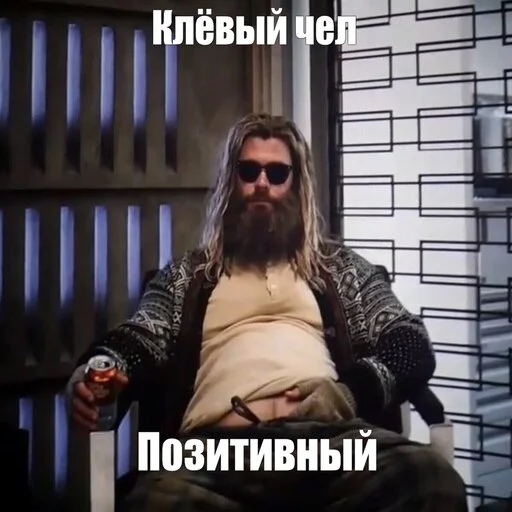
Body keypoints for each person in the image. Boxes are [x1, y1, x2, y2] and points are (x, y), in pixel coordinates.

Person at [67, 113, 468, 511]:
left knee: (429, 479)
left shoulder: (342, 270)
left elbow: (410, 343)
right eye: (249, 171)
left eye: (277, 174)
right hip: (216, 454)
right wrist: (97, 369)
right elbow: (139, 337)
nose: (262, 183)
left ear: (296, 184)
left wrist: (349, 392)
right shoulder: (187, 275)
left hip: (333, 447)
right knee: (155, 504)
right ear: (231, 181)